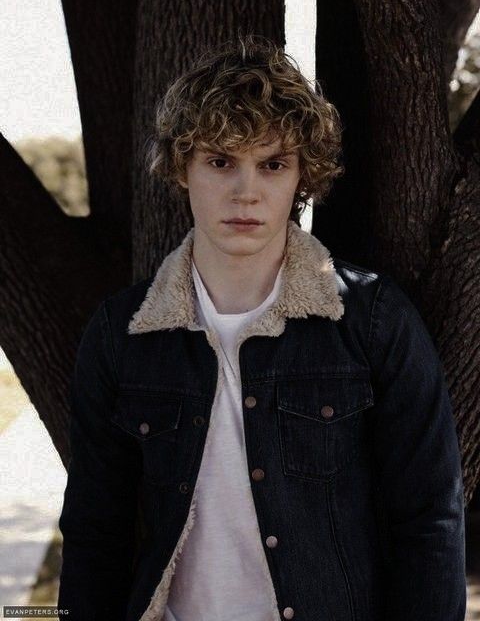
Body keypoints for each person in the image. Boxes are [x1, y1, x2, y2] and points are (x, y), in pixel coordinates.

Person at [57, 35, 466, 621]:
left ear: (303, 177)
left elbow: (429, 517)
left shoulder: (372, 320)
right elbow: (97, 530)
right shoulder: (121, 333)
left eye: (272, 164)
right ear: (182, 168)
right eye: (220, 161)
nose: (245, 191)